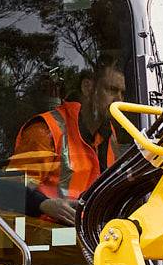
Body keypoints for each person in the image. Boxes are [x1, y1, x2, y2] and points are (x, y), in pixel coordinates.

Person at [10, 59, 127, 222]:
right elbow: (9, 190)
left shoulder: (108, 135)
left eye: (122, 93)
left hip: (89, 237)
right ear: (88, 87)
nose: (119, 99)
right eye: (112, 90)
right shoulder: (46, 131)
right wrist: (43, 204)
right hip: (46, 237)